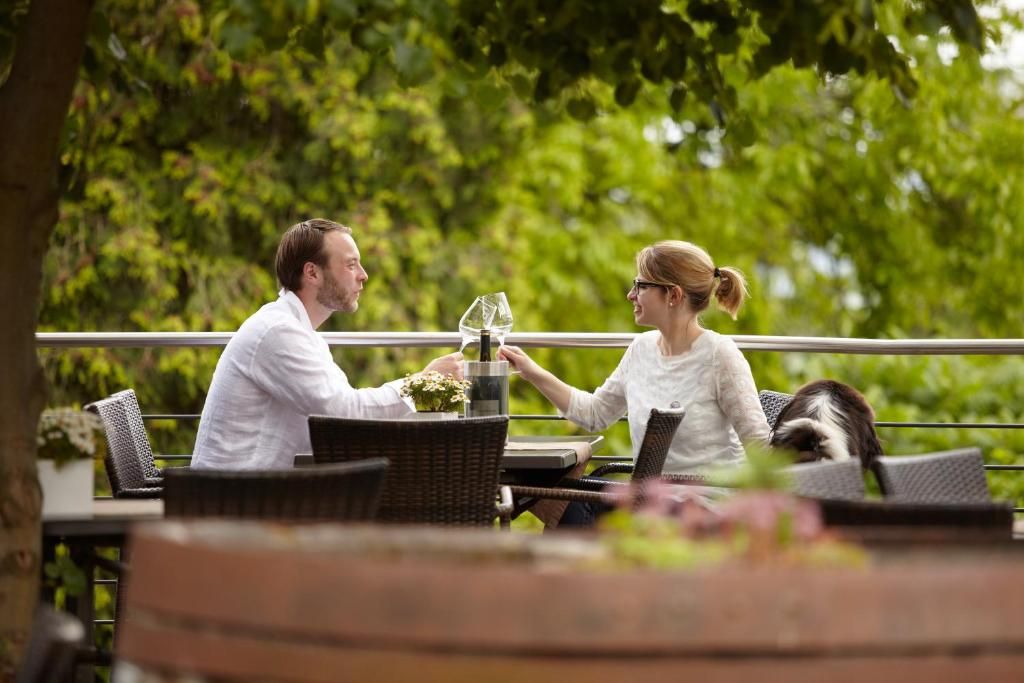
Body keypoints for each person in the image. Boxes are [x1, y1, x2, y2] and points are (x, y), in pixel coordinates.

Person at [498, 240, 770, 523]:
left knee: (561, 507)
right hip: (648, 503)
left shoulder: (720, 355)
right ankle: (602, 560)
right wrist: (531, 371)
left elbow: (760, 447)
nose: (630, 295)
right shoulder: (641, 349)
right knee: (533, 488)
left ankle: (603, 559)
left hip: (702, 511)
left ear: (673, 295)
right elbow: (595, 413)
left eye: (641, 286)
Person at [191, 218, 463, 470]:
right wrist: (420, 385)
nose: (363, 275)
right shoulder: (277, 332)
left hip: (259, 494)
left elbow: (346, 418)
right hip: (232, 502)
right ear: (312, 273)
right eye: (351, 264)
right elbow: (345, 415)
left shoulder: (301, 334)